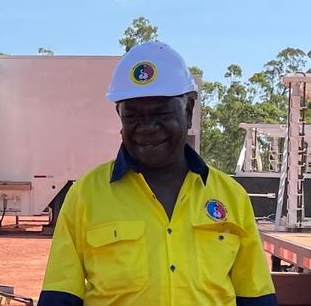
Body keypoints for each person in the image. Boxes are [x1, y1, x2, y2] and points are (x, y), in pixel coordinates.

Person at [38, 41, 276, 306]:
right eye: (132, 116)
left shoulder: (231, 198)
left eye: (161, 112)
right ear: (119, 116)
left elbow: (256, 298)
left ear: (188, 110)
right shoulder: (85, 196)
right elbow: (59, 298)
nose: (147, 127)